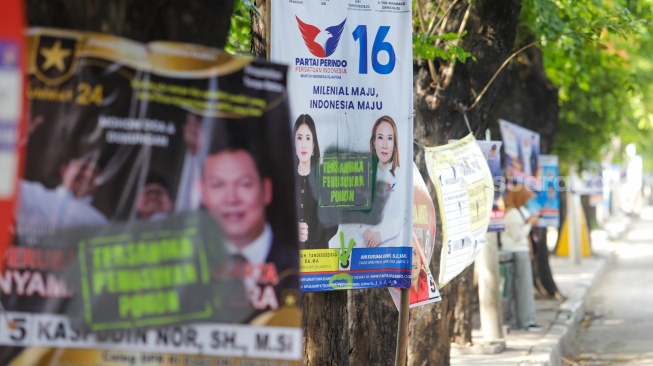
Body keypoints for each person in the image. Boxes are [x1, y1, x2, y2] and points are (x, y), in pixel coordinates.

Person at [199, 138, 299, 321]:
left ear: (266, 190)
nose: (231, 198)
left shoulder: (298, 269)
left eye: (244, 184)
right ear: (202, 192)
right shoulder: (185, 269)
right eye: (217, 185)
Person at [16, 150, 107, 245]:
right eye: (83, 167)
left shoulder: (99, 221)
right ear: (64, 169)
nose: (88, 175)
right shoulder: (33, 194)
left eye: (94, 172)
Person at [500, 184, 542, 332]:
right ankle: (526, 322)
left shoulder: (517, 211)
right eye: (525, 198)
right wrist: (529, 224)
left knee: (522, 288)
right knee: (523, 288)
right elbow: (518, 236)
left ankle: (523, 320)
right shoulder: (512, 214)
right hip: (518, 251)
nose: (527, 201)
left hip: (519, 252)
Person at [293, 114, 336, 249]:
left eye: (308, 138)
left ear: (313, 145)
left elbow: (333, 225)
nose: (303, 144)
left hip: (319, 258)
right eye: (299, 138)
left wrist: (310, 233)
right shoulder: (286, 180)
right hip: (294, 258)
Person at [362, 115, 404, 247]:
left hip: (389, 251)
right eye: (380, 137)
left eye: (389, 138)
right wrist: (364, 232)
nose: (385, 145)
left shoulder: (402, 177)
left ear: (395, 144)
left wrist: (381, 235)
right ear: (374, 142)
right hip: (364, 251)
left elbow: (405, 217)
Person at [175, 112, 203, 212]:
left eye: (197, 125)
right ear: (184, 129)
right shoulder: (177, 162)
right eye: (190, 125)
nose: (193, 130)